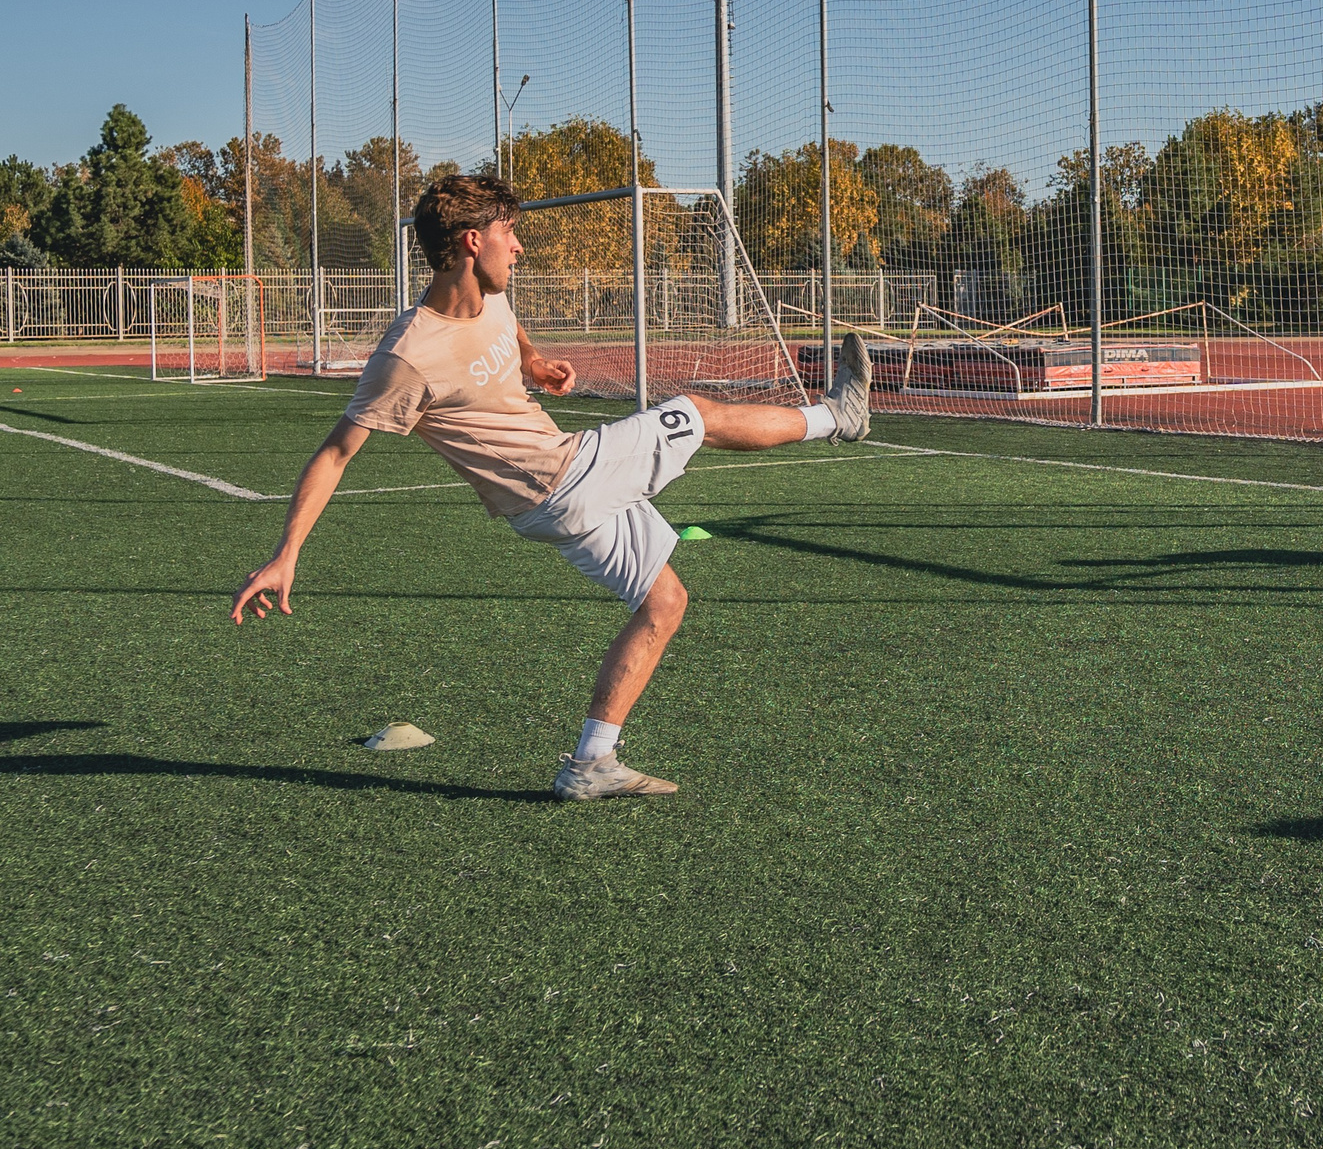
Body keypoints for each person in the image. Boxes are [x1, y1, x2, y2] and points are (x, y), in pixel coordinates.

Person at [229, 174, 873, 801]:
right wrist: (287, 555)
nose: (520, 245)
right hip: (562, 479)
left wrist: (534, 364)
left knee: (664, 602)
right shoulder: (407, 354)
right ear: (472, 241)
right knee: (696, 413)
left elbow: (507, 330)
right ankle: (838, 417)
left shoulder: (493, 295)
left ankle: (592, 762)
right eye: (509, 231)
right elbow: (336, 453)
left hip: (547, 502)